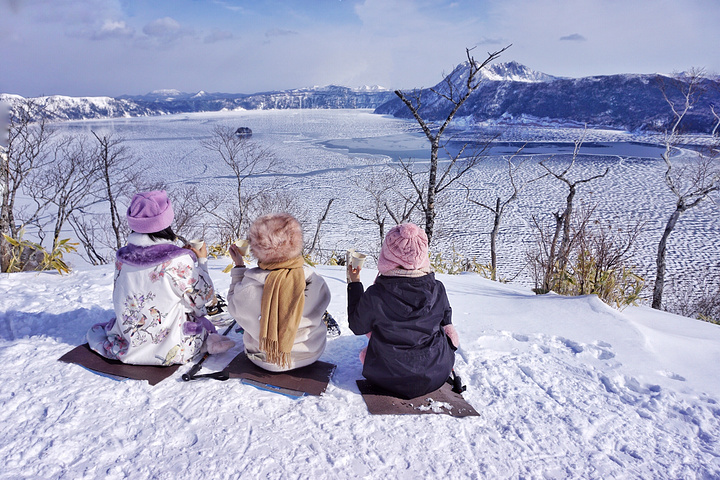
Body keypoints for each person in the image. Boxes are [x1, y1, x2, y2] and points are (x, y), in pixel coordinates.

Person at [87, 190, 234, 365]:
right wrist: (201, 262)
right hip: (173, 348)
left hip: (128, 344)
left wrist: (183, 256)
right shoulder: (178, 261)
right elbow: (205, 298)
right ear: (166, 220)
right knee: (201, 319)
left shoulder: (122, 258)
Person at [347, 222, 460, 399]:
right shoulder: (437, 288)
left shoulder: (376, 294)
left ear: (388, 255)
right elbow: (446, 323)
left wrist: (354, 284)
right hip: (435, 375)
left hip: (386, 378)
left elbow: (357, 326)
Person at [227, 213, 331, 372]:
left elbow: (233, 306)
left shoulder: (250, 285)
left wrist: (239, 268)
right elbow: (324, 303)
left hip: (264, 359)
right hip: (310, 354)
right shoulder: (314, 279)